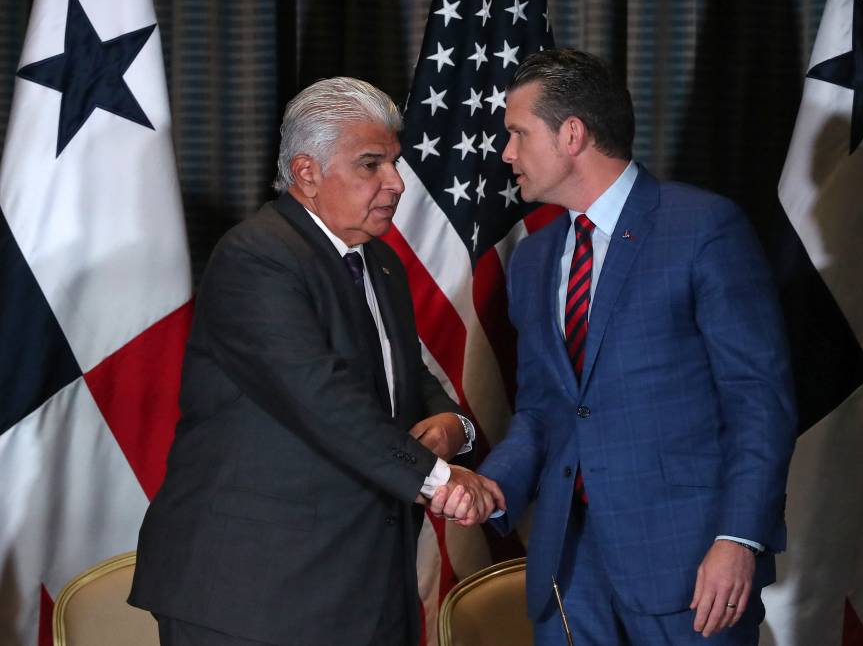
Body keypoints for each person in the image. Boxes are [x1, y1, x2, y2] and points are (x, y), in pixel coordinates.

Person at [129, 77, 503, 646]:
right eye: (371, 164)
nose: (396, 183)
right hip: (254, 595)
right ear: (306, 173)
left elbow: (403, 373)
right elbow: (318, 395)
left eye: (394, 162)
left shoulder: (379, 264)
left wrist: (455, 424)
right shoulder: (257, 256)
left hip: (363, 586)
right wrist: (438, 479)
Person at [472, 49, 796, 644]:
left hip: (688, 564)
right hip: (569, 569)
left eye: (518, 133)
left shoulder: (703, 228)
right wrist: (492, 486)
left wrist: (739, 538)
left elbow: (758, 401)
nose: (507, 153)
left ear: (572, 134)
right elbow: (543, 411)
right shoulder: (534, 258)